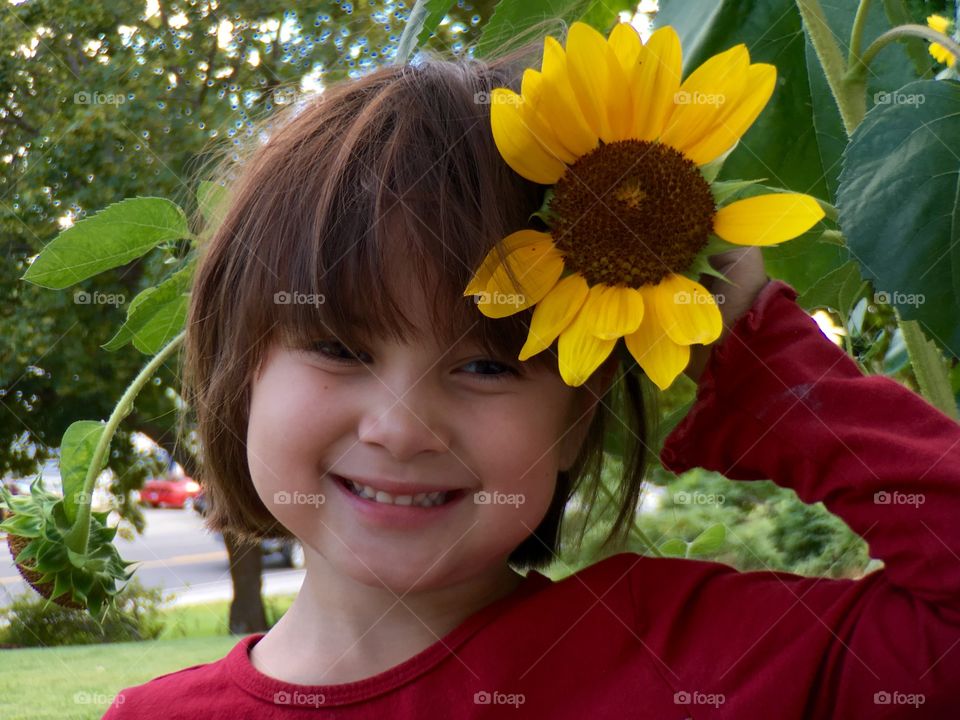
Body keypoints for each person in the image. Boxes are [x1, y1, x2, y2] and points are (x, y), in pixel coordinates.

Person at [103, 24, 958, 720]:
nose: (400, 427)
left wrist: (749, 344)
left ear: (579, 415)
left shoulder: (706, 662)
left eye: (483, 364)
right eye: (340, 349)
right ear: (239, 369)